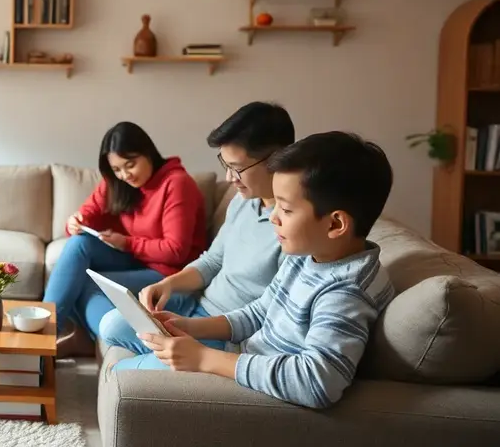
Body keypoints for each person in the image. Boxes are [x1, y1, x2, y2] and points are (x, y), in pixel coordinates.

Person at [137, 131, 396, 409]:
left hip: (258, 394)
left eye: (285, 209)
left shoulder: (347, 291)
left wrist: (203, 358)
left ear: (335, 225)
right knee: (138, 356)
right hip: (244, 362)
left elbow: (316, 383)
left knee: (130, 377)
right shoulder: (309, 255)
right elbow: (260, 312)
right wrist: (189, 327)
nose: (273, 217)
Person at [99, 101, 296, 368]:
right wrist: (168, 284)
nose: (229, 178)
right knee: (110, 324)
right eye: (224, 165)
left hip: (225, 333)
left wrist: (194, 330)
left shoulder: (294, 228)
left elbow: (267, 312)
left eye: (237, 168)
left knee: (123, 372)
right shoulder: (242, 201)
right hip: (196, 305)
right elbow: (213, 260)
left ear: (276, 160)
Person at [43, 121, 207, 356]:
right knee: (79, 244)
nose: (125, 174)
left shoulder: (177, 184)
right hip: (136, 260)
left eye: (130, 165)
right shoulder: (118, 182)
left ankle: (118, 337)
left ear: (147, 153)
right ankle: (47, 333)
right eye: (117, 169)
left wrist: (127, 243)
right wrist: (77, 221)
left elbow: (176, 250)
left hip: (169, 273)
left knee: (89, 283)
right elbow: (90, 212)